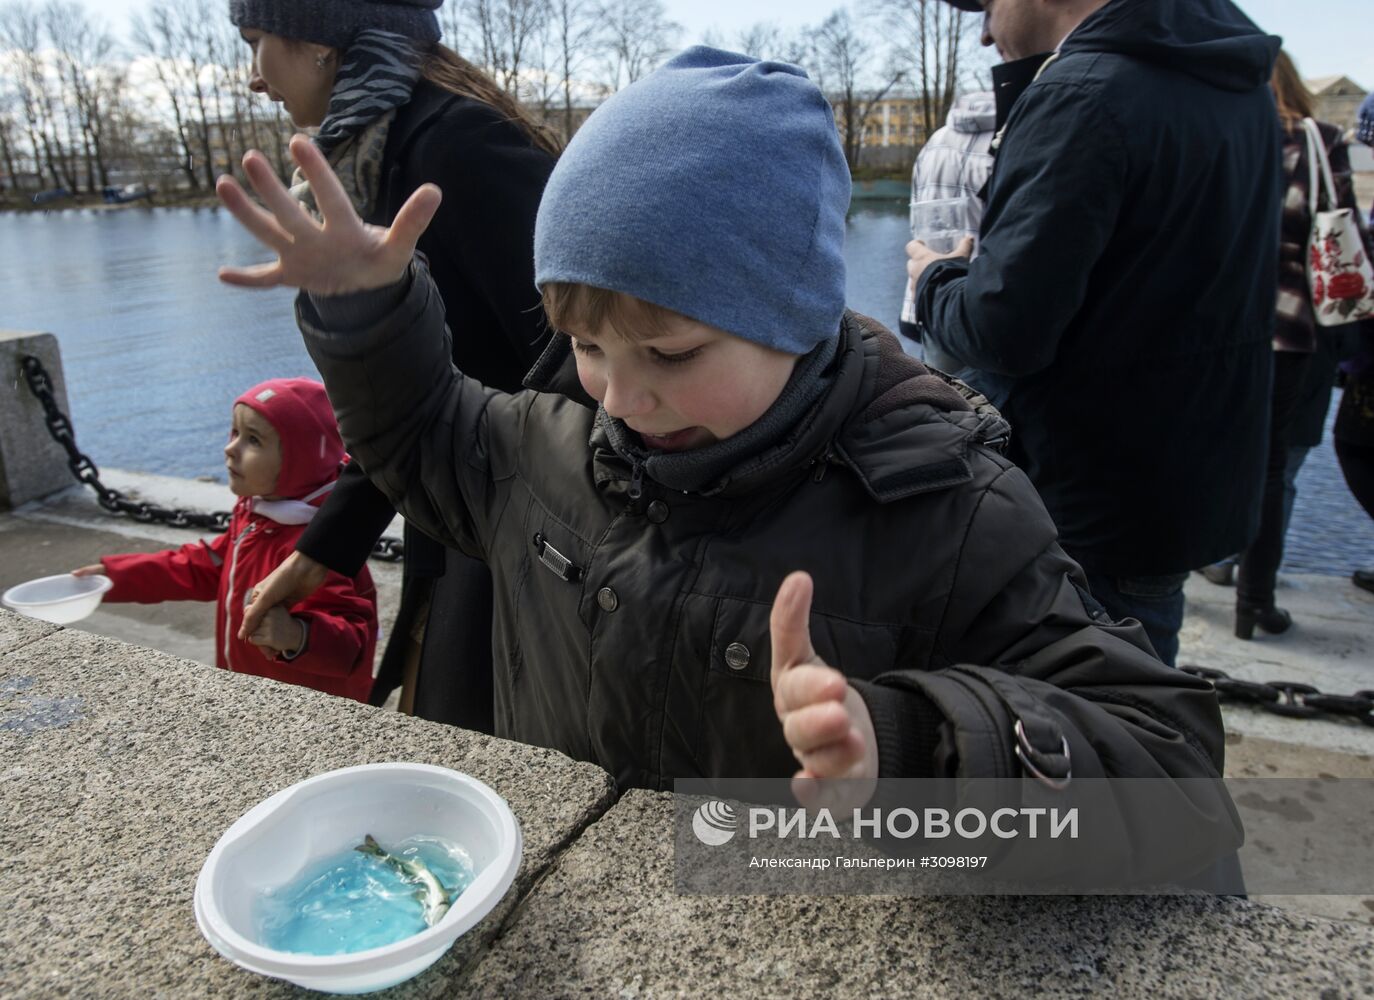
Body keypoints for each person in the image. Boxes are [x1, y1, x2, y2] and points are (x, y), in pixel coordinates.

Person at [213, 49, 1239, 883]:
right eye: (588, 345)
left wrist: (912, 749)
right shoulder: (549, 451)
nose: (618, 393)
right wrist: (365, 311)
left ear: (791, 316)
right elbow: (423, 437)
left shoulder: (949, 512)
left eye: (670, 354)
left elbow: (1178, 779)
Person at [909, 0, 1281, 666]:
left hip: (1083, 504)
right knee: (1141, 703)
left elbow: (1004, 331)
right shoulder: (1233, 79)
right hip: (1184, 484)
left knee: (1084, 731)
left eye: (989, 6)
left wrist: (938, 278)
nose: (987, 31)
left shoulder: (1083, 92)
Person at [228, 0, 558, 726]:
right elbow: (414, 396)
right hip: (471, 526)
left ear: (318, 41)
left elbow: (574, 360)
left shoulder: (456, 145)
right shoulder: (386, 148)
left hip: (524, 547)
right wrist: (324, 549)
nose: (254, 77)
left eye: (255, 41)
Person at [73, 379, 379, 703]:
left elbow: (356, 646)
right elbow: (203, 567)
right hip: (250, 695)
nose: (230, 448)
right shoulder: (258, 517)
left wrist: (296, 635)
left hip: (302, 716)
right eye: (234, 433)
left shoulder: (321, 548)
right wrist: (115, 578)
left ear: (301, 458)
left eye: (253, 440)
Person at [1231, 52, 1372, 639]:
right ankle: (1253, 602)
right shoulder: (1320, 139)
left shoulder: (1227, 132)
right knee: (1272, 466)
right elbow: (1343, 228)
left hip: (1219, 323)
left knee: (1213, 449)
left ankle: (1202, 565)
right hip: (1292, 325)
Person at [897, 89, 995, 371]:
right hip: (973, 307)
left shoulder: (935, 142)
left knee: (944, 402)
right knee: (986, 405)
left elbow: (917, 221)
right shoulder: (1009, 141)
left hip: (926, 296)